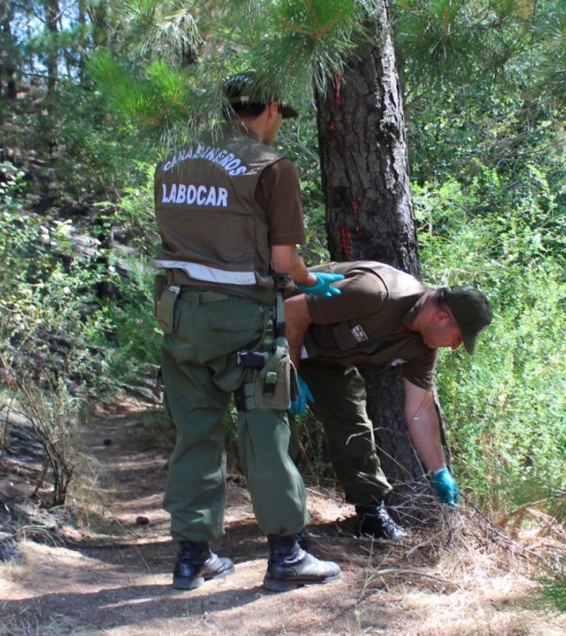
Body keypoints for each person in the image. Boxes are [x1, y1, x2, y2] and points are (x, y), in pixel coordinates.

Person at [153, 73, 345, 592]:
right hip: (245, 320)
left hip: (179, 315)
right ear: (271, 108)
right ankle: (286, 554)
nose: (279, 126)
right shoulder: (271, 168)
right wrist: (309, 281)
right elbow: (284, 259)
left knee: (195, 433)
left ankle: (192, 558)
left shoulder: (171, 160)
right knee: (264, 431)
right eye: (280, 116)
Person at [282, 260, 492, 540]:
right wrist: (290, 372)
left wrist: (438, 470)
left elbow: (420, 408)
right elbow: (293, 309)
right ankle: (285, 524)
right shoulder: (378, 292)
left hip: (325, 359)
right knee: (275, 424)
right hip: (279, 336)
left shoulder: (423, 348)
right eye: (457, 338)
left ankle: (371, 513)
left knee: (353, 426)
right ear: (441, 318)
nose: (454, 346)